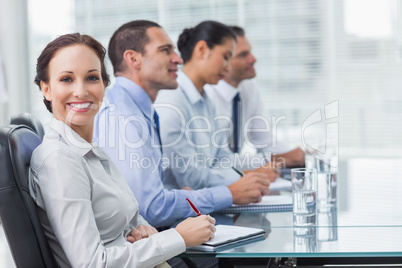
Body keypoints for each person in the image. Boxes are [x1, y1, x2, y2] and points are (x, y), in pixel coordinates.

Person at [29, 33, 216, 268]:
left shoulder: (89, 150)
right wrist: (178, 237)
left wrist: (142, 231)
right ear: (46, 89)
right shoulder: (60, 159)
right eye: (66, 79)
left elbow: (124, 222)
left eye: (92, 78)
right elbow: (92, 264)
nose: (81, 91)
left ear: (104, 86)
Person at [93, 20, 270, 230]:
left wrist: (190, 195)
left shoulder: (140, 109)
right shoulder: (124, 117)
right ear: (133, 59)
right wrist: (229, 193)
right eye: (165, 50)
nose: (177, 59)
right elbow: (152, 209)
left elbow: (158, 194)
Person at [155, 21, 280, 191]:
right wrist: (243, 179)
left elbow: (222, 158)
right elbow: (191, 178)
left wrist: (247, 178)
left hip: (205, 204)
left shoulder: (205, 101)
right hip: (183, 211)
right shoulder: (172, 102)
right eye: (226, 56)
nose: (228, 67)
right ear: (202, 50)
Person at [204, 26, 305, 168]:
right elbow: (216, 161)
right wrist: (272, 160)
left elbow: (264, 140)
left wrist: (297, 155)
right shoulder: (206, 96)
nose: (253, 59)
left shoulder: (249, 88)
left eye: (250, 52)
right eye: (243, 55)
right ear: (223, 60)